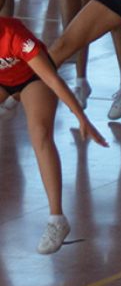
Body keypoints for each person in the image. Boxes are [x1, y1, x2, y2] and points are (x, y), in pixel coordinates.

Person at [0, 14, 102, 255]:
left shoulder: (14, 34)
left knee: (40, 135)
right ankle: (10, 101)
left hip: (33, 79)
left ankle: (57, 219)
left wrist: (81, 117)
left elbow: (52, 80)